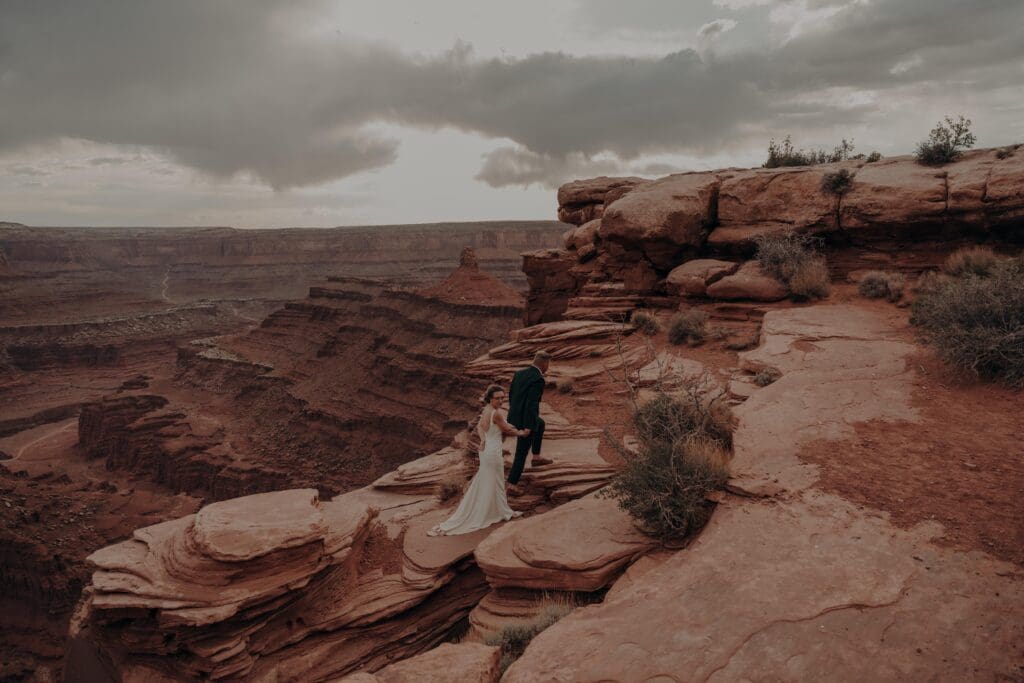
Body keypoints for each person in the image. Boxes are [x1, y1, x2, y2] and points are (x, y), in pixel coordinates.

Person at [427, 384, 526, 536]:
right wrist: (522, 433)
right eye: (497, 398)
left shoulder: (486, 410)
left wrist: (483, 440)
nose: (500, 401)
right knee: (496, 482)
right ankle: (495, 512)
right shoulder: (497, 413)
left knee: (489, 482)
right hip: (493, 452)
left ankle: (499, 510)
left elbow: (480, 427)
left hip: (486, 451)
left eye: (502, 398)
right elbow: (506, 429)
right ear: (490, 398)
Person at [506, 350, 553, 496]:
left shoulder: (519, 373)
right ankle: (511, 484)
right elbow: (532, 404)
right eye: (548, 364)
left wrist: (515, 414)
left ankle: (537, 457)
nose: (548, 367)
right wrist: (527, 425)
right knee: (521, 451)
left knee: (541, 424)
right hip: (526, 418)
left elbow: (511, 395)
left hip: (515, 416)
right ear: (544, 363)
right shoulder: (538, 379)